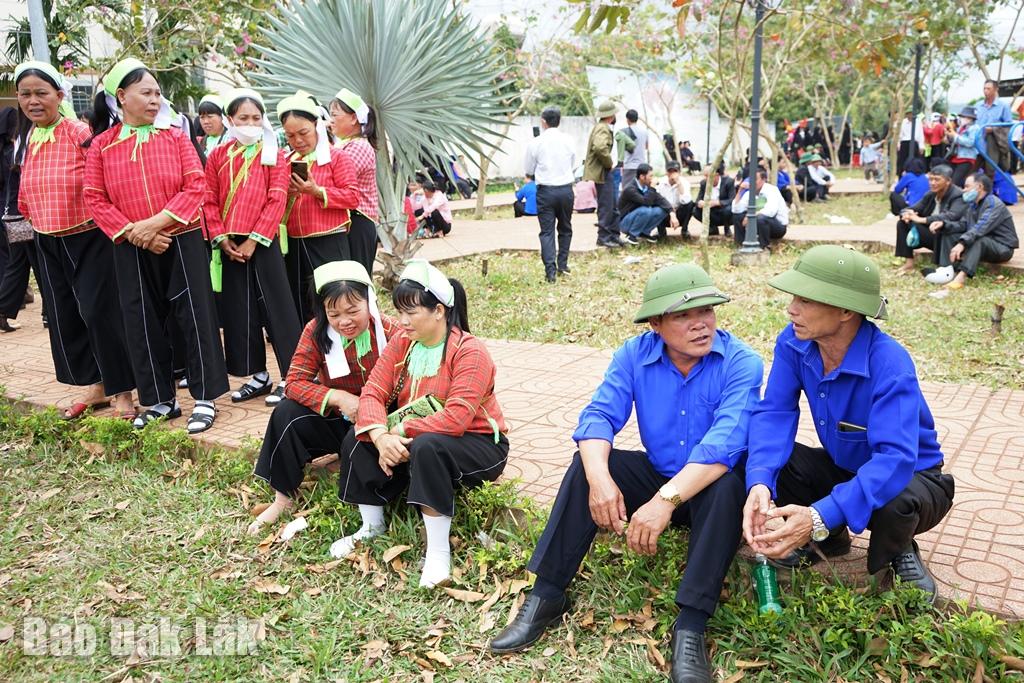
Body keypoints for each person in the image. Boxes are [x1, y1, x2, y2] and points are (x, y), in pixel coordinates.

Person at [489, 263, 763, 683]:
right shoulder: (634, 355)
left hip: (707, 487)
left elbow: (724, 443)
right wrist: (600, 480)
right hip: (660, 472)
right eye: (683, 315)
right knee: (589, 464)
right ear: (656, 323)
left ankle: (690, 624)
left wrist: (663, 502)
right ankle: (546, 594)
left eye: (707, 311)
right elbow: (599, 415)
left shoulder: (741, 362)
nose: (700, 323)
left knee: (728, 482)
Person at [743, 245, 954, 603]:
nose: (791, 308)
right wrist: (760, 481)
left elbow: (895, 461)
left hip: (915, 479)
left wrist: (817, 515)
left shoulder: (889, 362)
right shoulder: (794, 343)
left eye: (806, 300)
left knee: (895, 500)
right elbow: (775, 413)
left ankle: (899, 547)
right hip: (848, 469)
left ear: (844, 310)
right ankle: (831, 536)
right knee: (778, 462)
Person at [331, 259, 509, 590]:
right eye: (399, 312)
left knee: (428, 446)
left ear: (439, 311)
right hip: (415, 437)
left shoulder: (470, 352)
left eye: (411, 313)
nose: (402, 321)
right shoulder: (402, 342)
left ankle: (438, 551)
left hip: (478, 444)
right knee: (358, 437)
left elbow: (456, 418)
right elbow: (372, 392)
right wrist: (381, 436)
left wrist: (399, 431)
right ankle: (372, 526)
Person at [83, 57, 229, 433]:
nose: (154, 100)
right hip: (130, 246)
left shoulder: (175, 136)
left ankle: (204, 398)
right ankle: (161, 400)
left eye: (157, 93)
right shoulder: (101, 146)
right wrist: (135, 233)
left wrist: (154, 225)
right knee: (141, 320)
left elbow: (195, 185)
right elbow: (95, 198)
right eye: (146, 92)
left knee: (195, 317)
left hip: (180, 239)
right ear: (121, 96)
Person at [12, 62, 136, 420]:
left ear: (59, 96)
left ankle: (123, 391)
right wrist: (26, 211)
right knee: (66, 316)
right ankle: (96, 386)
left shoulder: (77, 131)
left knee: (100, 314)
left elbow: (102, 178)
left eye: (41, 93)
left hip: (88, 237)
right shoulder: (30, 137)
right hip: (47, 239)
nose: (33, 101)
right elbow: (26, 185)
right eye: (25, 94)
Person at [250, 261, 398, 534]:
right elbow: (294, 383)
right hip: (340, 418)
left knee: (365, 436)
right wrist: (339, 397)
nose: (344, 321)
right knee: (286, 413)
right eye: (334, 313)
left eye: (353, 310)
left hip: (381, 423)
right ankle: (283, 498)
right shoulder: (316, 332)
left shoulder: (393, 333)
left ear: (371, 301)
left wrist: (368, 408)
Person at [204, 88, 301, 407]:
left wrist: (252, 240)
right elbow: (209, 199)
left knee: (278, 310)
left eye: (256, 118)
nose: (250, 123)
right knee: (239, 311)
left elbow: (277, 199)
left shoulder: (274, 153)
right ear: (230, 119)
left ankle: (293, 377)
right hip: (229, 245)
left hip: (264, 242)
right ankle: (256, 375)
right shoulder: (217, 155)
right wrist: (221, 237)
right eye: (243, 117)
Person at [277, 91, 360, 322]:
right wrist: (288, 194)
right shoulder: (284, 161)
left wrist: (317, 191)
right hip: (293, 242)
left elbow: (352, 197)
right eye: (290, 136)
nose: (298, 140)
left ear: (317, 126)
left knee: (334, 297)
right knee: (301, 300)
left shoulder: (337, 158)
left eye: (303, 132)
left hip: (329, 240)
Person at [924, 172, 1019, 290]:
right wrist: (944, 225)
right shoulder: (973, 205)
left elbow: (980, 227)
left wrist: (962, 243)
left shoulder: (994, 204)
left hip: (1002, 248)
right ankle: (947, 270)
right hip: (983, 244)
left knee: (980, 240)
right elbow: (963, 224)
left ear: (979, 187)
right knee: (948, 233)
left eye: (967, 186)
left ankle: (961, 277)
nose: (964, 190)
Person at [329, 88, 379, 276]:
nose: (330, 119)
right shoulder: (343, 145)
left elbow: (334, 179)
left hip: (358, 223)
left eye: (335, 114)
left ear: (353, 118)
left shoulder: (357, 146)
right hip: (349, 222)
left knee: (356, 283)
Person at [524, 106, 576, 282]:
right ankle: (563, 264)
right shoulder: (569, 140)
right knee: (565, 228)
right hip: (566, 190)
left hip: (546, 191)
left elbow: (529, 169)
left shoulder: (536, 143)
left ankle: (550, 272)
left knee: (547, 232)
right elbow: (573, 164)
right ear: (559, 121)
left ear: (543, 122)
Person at [893, 164, 967, 275]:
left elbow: (951, 216)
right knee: (902, 223)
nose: (932, 183)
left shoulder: (957, 195)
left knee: (938, 227)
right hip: (931, 234)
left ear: (948, 181)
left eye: (937, 180)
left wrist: (923, 220)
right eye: (931, 179)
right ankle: (909, 263)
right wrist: (907, 214)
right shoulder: (931, 194)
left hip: (946, 237)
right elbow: (913, 208)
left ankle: (941, 265)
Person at [585, 100, 620, 249]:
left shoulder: (602, 127)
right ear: (611, 115)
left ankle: (613, 235)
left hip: (604, 172)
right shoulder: (603, 128)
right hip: (603, 172)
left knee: (613, 204)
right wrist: (609, 163)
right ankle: (604, 237)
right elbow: (599, 147)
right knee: (607, 205)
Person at [617, 163, 675, 244]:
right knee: (646, 210)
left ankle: (644, 233)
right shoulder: (630, 189)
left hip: (636, 218)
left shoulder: (646, 186)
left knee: (662, 210)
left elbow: (661, 200)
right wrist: (652, 188)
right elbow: (646, 202)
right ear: (642, 177)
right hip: (624, 223)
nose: (652, 178)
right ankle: (632, 236)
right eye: (650, 176)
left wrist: (672, 213)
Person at [730, 168, 788, 248]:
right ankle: (741, 245)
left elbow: (770, 212)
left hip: (777, 226)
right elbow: (736, 210)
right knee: (737, 216)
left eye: (755, 179)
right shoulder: (749, 192)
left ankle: (764, 247)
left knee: (761, 218)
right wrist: (740, 191)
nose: (752, 182)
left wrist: (750, 216)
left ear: (764, 179)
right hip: (756, 225)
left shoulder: (772, 190)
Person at [976, 79, 1013, 175]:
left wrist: (993, 129)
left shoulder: (1003, 106)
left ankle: (990, 189)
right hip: (977, 142)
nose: (985, 91)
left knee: (990, 170)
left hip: (993, 142)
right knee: (973, 170)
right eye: (984, 88)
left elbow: (1009, 125)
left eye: (988, 88)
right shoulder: (978, 105)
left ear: (996, 89)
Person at [693, 164, 736, 237]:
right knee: (695, 210)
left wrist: (717, 203)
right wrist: (700, 203)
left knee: (728, 209)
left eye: (708, 176)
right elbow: (698, 199)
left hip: (723, 210)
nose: (706, 178)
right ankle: (712, 227)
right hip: (711, 211)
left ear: (716, 175)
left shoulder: (728, 182)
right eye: (705, 176)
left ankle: (727, 228)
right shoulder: (703, 183)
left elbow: (732, 200)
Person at [656, 161, 694, 239]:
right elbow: (657, 200)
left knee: (691, 204)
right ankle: (661, 231)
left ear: (679, 172)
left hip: (679, 212)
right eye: (670, 171)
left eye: (675, 171)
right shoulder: (660, 183)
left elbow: (686, 201)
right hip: (665, 212)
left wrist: (679, 184)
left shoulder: (684, 182)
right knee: (655, 207)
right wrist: (670, 210)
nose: (672, 174)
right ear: (666, 173)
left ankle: (684, 229)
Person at [946, 106, 981, 188]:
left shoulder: (974, 128)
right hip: (957, 156)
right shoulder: (962, 127)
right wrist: (950, 136)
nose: (962, 118)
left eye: (964, 117)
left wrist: (955, 136)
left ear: (971, 118)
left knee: (954, 182)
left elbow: (970, 142)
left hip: (967, 158)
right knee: (951, 179)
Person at [619, 109, 648, 189]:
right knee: (640, 190)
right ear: (637, 119)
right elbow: (646, 147)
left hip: (628, 166)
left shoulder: (623, 132)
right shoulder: (644, 131)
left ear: (627, 119)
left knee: (627, 191)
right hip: (641, 166)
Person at [897, 110, 924, 176]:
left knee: (915, 161)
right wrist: (898, 144)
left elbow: (920, 134)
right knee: (903, 161)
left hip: (914, 142)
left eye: (911, 114)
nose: (910, 116)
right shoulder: (903, 122)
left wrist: (921, 146)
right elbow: (899, 134)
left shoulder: (918, 122)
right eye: (908, 114)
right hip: (904, 142)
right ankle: (902, 177)